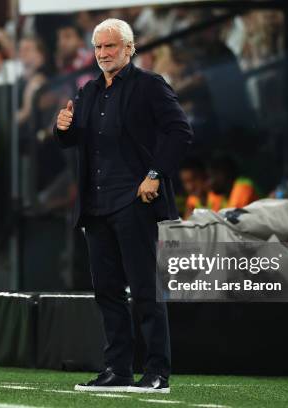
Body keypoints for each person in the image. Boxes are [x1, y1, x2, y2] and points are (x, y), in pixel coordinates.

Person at [54, 18, 193, 393]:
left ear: (130, 49)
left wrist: (155, 174)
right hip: (96, 205)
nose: (103, 54)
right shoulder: (88, 92)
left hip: (133, 201)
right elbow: (75, 140)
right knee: (108, 293)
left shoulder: (150, 86)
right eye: (98, 47)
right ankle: (117, 370)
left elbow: (180, 132)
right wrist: (63, 128)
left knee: (145, 289)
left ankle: (157, 373)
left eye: (110, 46)